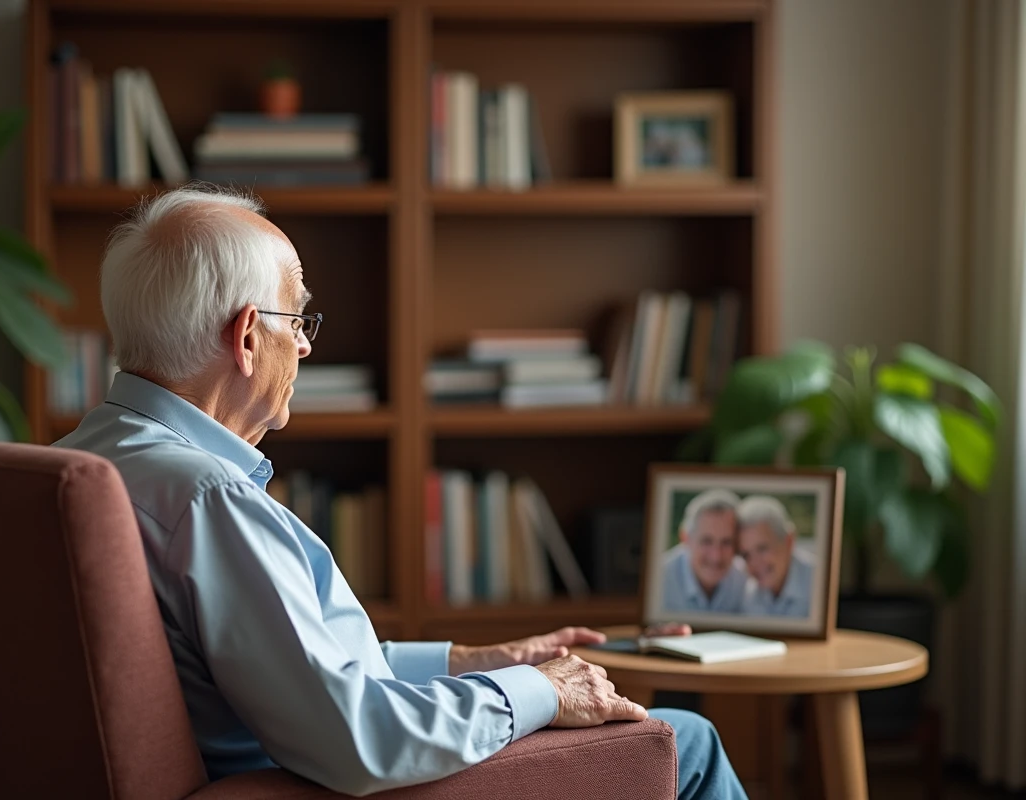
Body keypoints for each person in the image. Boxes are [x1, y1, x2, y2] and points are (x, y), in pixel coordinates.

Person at [56, 187, 746, 798]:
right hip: (317, 781)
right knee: (685, 742)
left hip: (300, 753)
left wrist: (472, 663)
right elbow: (358, 740)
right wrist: (542, 689)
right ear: (246, 336)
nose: (303, 347)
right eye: (296, 321)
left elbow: (292, 671)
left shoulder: (72, 466)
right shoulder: (207, 500)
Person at [661, 489, 749, 614]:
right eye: (707, 541)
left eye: (726, 542)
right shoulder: (657, 581)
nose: (716, 556)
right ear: (685, 538)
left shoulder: (746, 580)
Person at [737, 495, 816, 618]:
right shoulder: (748, 594)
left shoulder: (819, 583)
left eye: (762, 548)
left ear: (789, 541)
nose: (754, 563)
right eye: (746, 555)